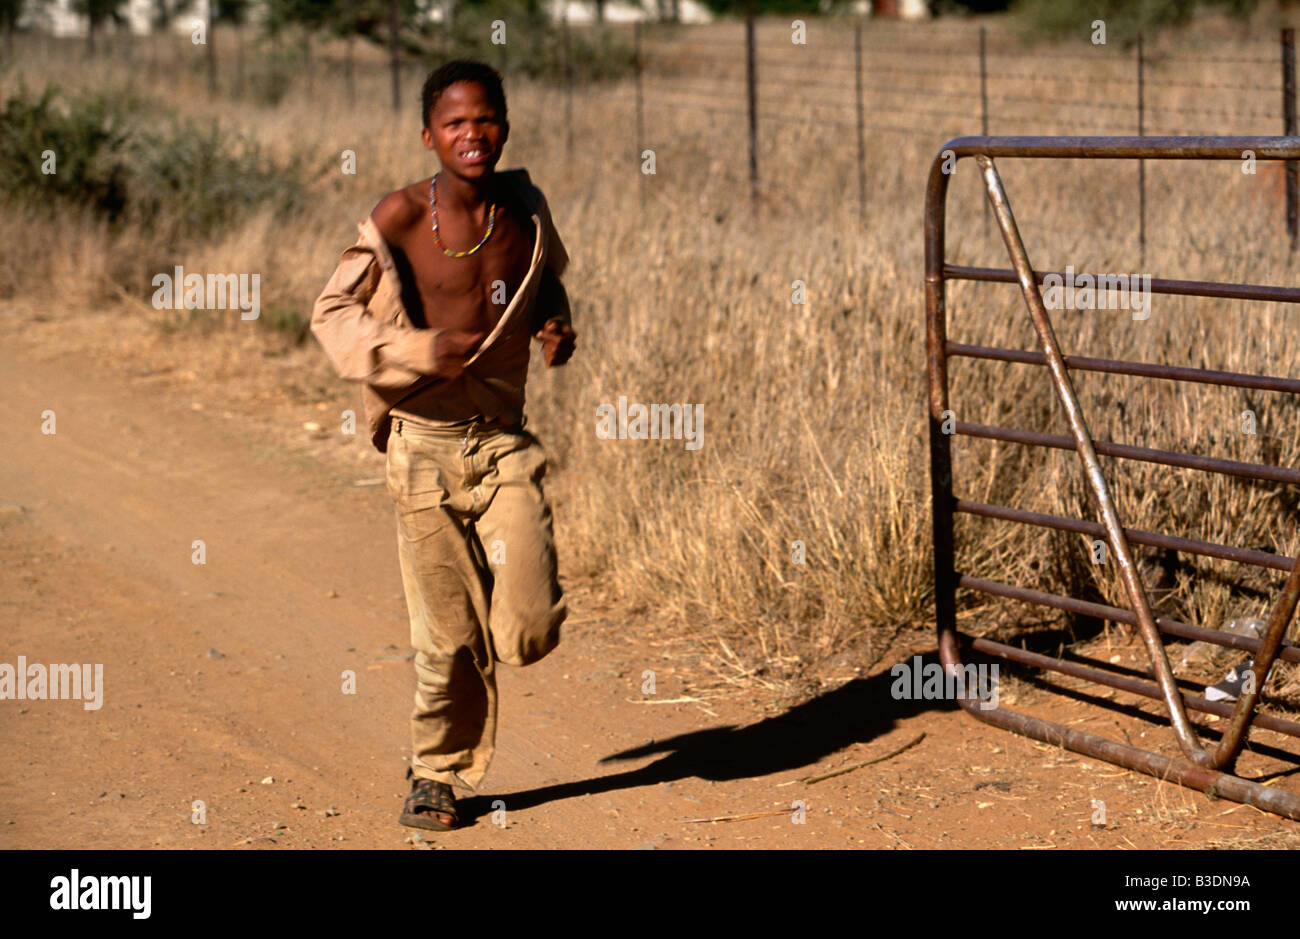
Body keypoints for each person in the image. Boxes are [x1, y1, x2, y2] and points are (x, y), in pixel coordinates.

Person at [310, 59, 577, 831]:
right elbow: (332, 312)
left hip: (502, 444)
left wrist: (555, 325)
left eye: (484, 119)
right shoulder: (396, 217)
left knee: (528, 629)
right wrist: (419, 351)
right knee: (448, 639)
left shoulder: (524, 210)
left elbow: (546, 279)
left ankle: (493, 624)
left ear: (505, 125)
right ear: (428, 136)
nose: (472, 135)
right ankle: (436, 774)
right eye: (454, 123)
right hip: (422, 448)